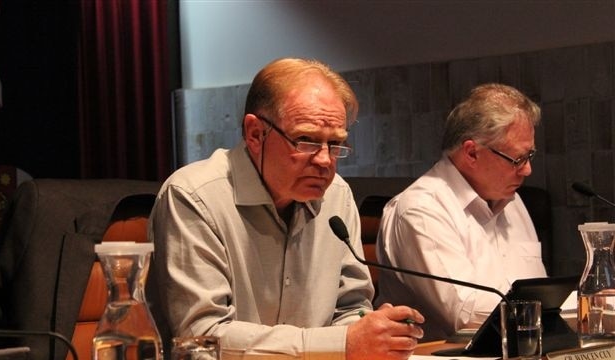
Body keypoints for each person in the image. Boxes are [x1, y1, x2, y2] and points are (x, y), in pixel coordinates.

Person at [150, 57, 424, 360]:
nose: (324, 160)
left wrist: (373, 332)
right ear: (255, 134)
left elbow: (349, 307)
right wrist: (341, 343)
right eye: (305, 140)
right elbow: (201, 337)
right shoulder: (193, 196)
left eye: (335, 144)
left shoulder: (337, 196)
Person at [375, 83, 547, 342]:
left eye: (530, 155)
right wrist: (544, 311)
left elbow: (539, 292)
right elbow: (464, 318)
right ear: (471, 153)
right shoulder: (420, 209)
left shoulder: (512, 200)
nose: (527, 170)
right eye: (517, 159)